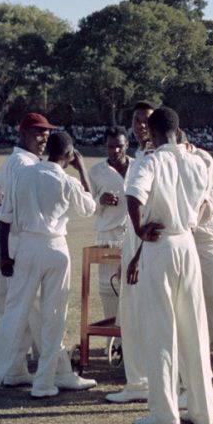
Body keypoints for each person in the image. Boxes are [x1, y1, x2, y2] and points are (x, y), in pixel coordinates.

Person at [0, 130, 98, 397]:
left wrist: (5, 255)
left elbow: (4, 218)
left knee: (13, 314)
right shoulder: (68, 181)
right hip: (56, 249)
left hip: (27, 248)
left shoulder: (24, 175)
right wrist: (82, 168)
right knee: (54, 317)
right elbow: (90, 207)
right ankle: (43, 384)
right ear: (68, 155)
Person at [123, 106, 213, 424]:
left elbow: (133, 196)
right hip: (187, 243)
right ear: (178, 129)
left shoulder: (152, 161)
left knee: (160, 329)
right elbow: (205, 203)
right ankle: (202, 410)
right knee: (194, 328)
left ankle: (164, 413)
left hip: (161, 243)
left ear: (152, 128)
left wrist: (138, 230)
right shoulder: (196, 162)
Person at [0, 111, 58, 385]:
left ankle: (17, 369)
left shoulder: (28, 161)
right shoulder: (19, 162)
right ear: (23, 134)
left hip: (15, 243)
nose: (43, 138)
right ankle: (36, 368)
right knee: (17, 310)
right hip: (6, 245)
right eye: (38, 132)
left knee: (24, 310)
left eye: (46, 133)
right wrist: (8, 222)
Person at [105, 101, 154, 405]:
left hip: (147, 242)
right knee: (131, 312)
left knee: (145, 312)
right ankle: (137, 379)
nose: (140, 126)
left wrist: (137, 253)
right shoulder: (139, 158)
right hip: (133, 241)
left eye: (146, 121)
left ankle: (144, 381)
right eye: (136, 120)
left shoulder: (154, 159)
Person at [180, 130, 213, 365]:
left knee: (211, 292)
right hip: (180, 230)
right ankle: (185, 344)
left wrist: (190, 226)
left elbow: (202, 198)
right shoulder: (167, 159)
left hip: (204, 232)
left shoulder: (202, 159)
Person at [88, 126, 131, 353]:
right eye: (111, 146)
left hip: (133, 234)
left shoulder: (138, 166)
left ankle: (130, 338)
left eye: (119, 146)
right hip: (107, 234)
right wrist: (100, 200)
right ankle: (113, 342)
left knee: (131, 287)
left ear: (127, 145)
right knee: (107, 287)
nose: (115, 150)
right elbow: (87, 207)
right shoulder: (96, 171)